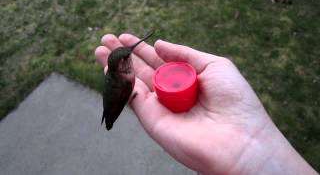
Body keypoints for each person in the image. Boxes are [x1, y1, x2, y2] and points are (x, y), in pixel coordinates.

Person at [94, 33, 317, 175]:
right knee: (118, 104)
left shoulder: (123, 74)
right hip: (117, 98)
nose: (131, 56)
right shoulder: (122, 81)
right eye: (127, 59)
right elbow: (116, 96)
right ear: (120, 67)